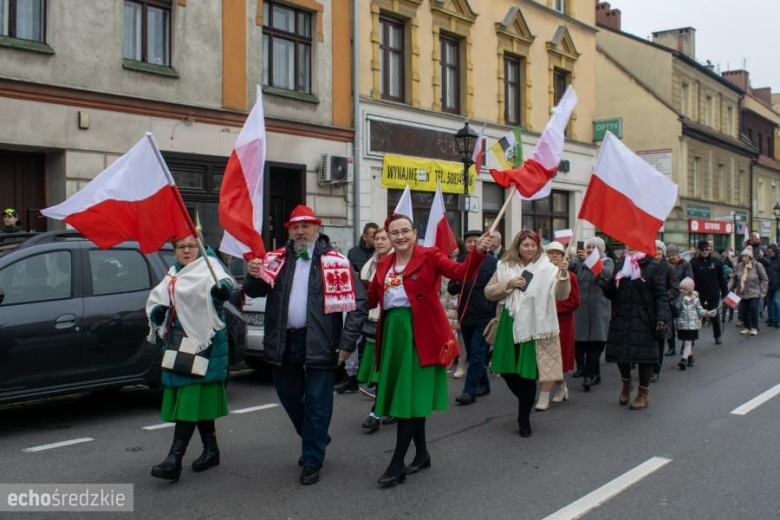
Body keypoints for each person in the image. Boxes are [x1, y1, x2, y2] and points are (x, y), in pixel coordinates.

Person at [244, 205, 368, 485]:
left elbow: (359, 304)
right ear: (289, 231)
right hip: (283, 339)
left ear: (316, 228)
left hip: (321, 340)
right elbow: (254, 291)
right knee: (289, 395)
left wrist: (348, 342)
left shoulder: (336, 261)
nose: (300, 231)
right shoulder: (275, 259)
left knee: (317, 401)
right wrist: (252, 273)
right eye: (295, 227)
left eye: (306, 226)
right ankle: (317, 436)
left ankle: (312, 458)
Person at [367, 214, 490, 486]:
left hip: (420, 333)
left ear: (414, 232)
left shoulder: (430, 255)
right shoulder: (384, 262)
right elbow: (373, 297)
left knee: (407, 401)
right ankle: (421, 454)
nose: (400, 237)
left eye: (405, 231)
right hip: (393, 333)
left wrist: (477, 252)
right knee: (410, 397)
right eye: (394, 232)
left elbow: (460, 273)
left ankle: (397, 462)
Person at [146, 235, 233, 482]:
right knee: (198, 400)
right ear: (174, 251)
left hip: (205, 343)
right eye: (181, 247)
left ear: (200, 248)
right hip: (178, 343)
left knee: (190, 398)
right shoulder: (173, 274)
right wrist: (158, 311)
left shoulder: (210, 268)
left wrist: (221, 291)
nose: (186, 250)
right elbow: (157, 302)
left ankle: (174, 460)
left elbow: (225, 286)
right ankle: (211, 450)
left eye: (191, 246)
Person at [485, 230, 571, 436]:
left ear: (538, 247)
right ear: (518, 246)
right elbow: (489, 292)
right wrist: (508, 284)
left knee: (527, 375)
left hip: (535, 326)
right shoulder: (504, 266)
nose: (530, 249)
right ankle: (527, 398)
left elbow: (562, 295)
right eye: (525, 245)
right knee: (506, 371)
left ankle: (524, 418)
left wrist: (563, 276)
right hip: (509, 323)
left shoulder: (548, 268)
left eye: (533, 245)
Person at [603, 246, 669, 410]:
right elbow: (613, 293)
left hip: (644, 317)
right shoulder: (620, 265)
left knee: (644, 356)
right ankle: (626, 383)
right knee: (621, 354)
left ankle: (643, 394)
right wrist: (605, 286)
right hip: (621, 315)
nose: (630, 246)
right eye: (628, 243)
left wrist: (661, 318)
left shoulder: (653, 266)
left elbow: (661, 295)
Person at [448, 230, 498, 405]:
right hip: (465, 314)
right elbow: (451, 288)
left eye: (476, 241)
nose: (471, 244)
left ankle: (469, 391)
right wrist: (458, 282)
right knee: (471, 352)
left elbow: (496, 290)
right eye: (469, 241)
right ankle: (484, 384)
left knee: (477, 352)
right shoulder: (462, 261)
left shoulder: (493, 263)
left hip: (484, 316)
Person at [357, 227, 394, 432]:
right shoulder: (370, 264)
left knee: (385, 371)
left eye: (384, 238)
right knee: (380, 371)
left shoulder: (397, 264)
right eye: (377, 238)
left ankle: (376, 412)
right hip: (373, 324)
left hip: (390, 322)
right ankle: (388, 408)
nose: (380, 242)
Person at [570, 237, 614, 391]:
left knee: (596, 342)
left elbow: (606, 275)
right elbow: (570, 272)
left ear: (601, 250)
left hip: (599, 309)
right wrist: (575, 259)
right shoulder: (582, 264)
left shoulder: (607, 261)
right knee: (582, 342)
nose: (589, 250)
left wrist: (592, 261)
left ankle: (588, 376)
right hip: (581, 310)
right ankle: (596, 373)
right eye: (588, 247)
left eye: (593, 247)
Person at [546, 241, 579, 404]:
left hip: (562, 322)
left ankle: (558, 387)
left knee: (558, 357)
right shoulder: (541, 274)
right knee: (546, 357)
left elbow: (574, 302)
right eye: (550, 253)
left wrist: (552, 307)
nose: (553, 256)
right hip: (543, 321)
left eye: (557, 253)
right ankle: (561, 385)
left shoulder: (570, 276)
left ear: (563, 256)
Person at [674, 277, 717, 370]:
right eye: (681, 288)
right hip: (682, 324)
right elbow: (675, 310)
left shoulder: (695, 300)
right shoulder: (679, 299)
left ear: (690, 290)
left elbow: (700, 310)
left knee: (687, 342)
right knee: (686, 342)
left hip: (693, 325)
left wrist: (708, 313)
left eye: (684, 289)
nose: (682, 290)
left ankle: (683, 360)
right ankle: (690, 358)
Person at [690, 240, 727, 345]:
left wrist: (725, 293)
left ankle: (717, 336)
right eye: (702, 249)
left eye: (707, 249)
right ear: (698, 250)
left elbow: (722, 279)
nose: (705, 251)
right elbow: (690, 279)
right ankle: (692, 338)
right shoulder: (693, 263)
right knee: (695, 316)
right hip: (698, 294)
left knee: (715, 316)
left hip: (713, 294)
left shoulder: (717, 262)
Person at [651, 240, 679, 383]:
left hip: (662, 308)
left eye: (658, 250)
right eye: (653, 250)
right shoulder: (647, 266)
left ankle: (656, 369)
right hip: (649, 308)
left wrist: (663, 297)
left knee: (660, 339)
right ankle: (648, 367)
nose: (656, 253)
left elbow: (675, 289)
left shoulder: (669, 268)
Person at [729, 248, 769, 336]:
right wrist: (728, 288)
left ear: (750, 257)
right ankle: (746, 327)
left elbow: (764, 278)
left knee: (753, 310)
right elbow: (734, 277)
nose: (743, 259)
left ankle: (754, 327)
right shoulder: (740, 266)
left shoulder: (757, 265)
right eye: (743, 257)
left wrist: (763, 291)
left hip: (754, 292)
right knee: (744, 311)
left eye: (745, 257)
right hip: (742, 293)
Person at [766, 244, 780, 329]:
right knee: (769, 303)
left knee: (776, 302)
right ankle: (771, 319)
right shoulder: (767, 260)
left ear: (775, 251)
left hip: (778, 285)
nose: (770, 253)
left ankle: (777, 320)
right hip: (768, 285)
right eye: (768, 252)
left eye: (771, 251)